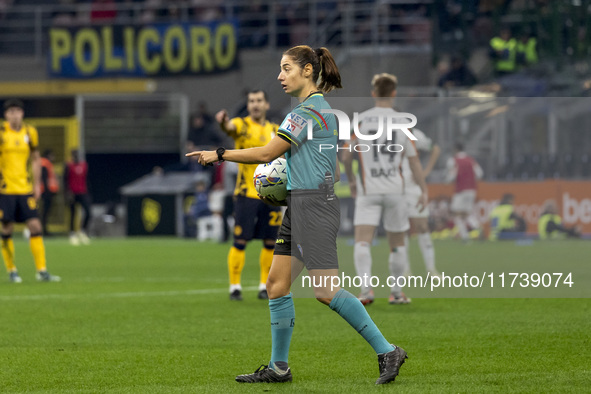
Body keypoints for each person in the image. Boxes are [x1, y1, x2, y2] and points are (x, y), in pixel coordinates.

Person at [188, 46, 408, 385]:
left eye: (287, 68)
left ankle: (387, 350)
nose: (280, 75)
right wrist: (294, 181)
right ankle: (279, 368)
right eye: (280, 68)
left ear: (308, 71)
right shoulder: (326, 112)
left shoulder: (302, 113)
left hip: (313, 208)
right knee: (276, 285)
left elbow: (267, 152)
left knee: (326, 291)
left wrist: (218, 154)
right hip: (305, 204)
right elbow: (333, 171)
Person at [341, 73, 429, 306]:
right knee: (397, 242)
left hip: (368, 190)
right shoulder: (402, 122)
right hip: (395, 191)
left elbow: (346, 155)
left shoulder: (360, 121)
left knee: (362, 241)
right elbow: (413, 161)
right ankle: (396, 293)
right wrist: (423, 189)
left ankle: (366, 291)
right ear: (393, 93)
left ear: (372, 93)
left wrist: (351, 179)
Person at [215, 90, 282, 301]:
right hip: (246, 193)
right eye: (252, 101)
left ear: (267, 105)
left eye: (259, 101)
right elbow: (229, 127)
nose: (255, 104)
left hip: (272, 194)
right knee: (240, 240)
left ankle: (265, 285)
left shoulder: (276, 130)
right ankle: (235, 286)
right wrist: (223, 122)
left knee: (271, 242)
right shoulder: (241, 125)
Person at [0, 99, 61, 283]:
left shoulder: (30, 132)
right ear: (6, 115)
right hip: (5, 189)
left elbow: (35, 159)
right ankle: (12, 271)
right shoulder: (2, 132)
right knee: (6, 227)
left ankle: (42, 271)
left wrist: (36, 184)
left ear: (22, 113)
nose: (15, 114)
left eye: (18, 110)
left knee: (35, 225)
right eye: (11, 111)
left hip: (25, 188)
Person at [401, 128, 440, 277]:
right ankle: (405, 270)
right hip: (394, 186)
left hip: (413, 187)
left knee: (422, 226)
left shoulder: (415, 134)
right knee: (401, 229)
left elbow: (435, 149)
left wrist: (425, 172)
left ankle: (431, 269)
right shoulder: (382, 134)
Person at [446, 142, 483, 242]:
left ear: (455, 149)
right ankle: (478, 228)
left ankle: (464, 237)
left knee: (456, 214)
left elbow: (452, 175)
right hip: (472, 189)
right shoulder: (471, 160)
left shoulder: (453, 160)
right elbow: (479, 174)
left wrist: (448, 180)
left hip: (460, 190)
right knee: (466, 213)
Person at [64, 149, 92, 245]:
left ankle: (83, 231)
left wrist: (88, 192)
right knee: (73, 213)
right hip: (72, 193)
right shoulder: (68, 166)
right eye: (74, 155)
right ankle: (72, 233)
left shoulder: (84, 166)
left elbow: (87, 179)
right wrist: (67, 193)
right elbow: (65, 180)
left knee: (88, 212)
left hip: (83, 192)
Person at [40, 149, 60, 236]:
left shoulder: (46, 164)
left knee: (46, 211)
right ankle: (43, 230)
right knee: (45, 211)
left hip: (47, 191)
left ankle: (44, 229)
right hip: (46, 192)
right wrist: (47, 191)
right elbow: (44, 178)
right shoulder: (44, 163)